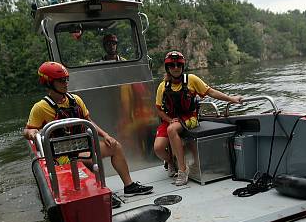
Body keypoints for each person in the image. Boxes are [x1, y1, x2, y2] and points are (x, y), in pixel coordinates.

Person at [23, 62, 152, 205]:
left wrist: (106, 136)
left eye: (66, 80)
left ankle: (129, 186)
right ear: (49, 83)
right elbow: (28, 130)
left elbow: (89, 121)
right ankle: (101, 194)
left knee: (115, 147)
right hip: (63, 155)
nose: (65, 83)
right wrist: (32, 133)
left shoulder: (75, 100)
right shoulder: (40, 108)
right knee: (88, 160)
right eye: (61, 81)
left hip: (83, 147)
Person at [153, 51, 244, 185]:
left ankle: (183, 171)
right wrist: (169, 119)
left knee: (172, 130)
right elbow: (158, 110)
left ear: (183, 66)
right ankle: (171, 162)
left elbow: (211, 92)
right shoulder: (162, 86)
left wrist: (231, 99)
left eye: (179, 65)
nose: (176, 68)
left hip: (190, 117)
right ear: (167, 68)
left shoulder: (192, 79)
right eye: (172, 65)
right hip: (171, 119)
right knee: (158, 148)